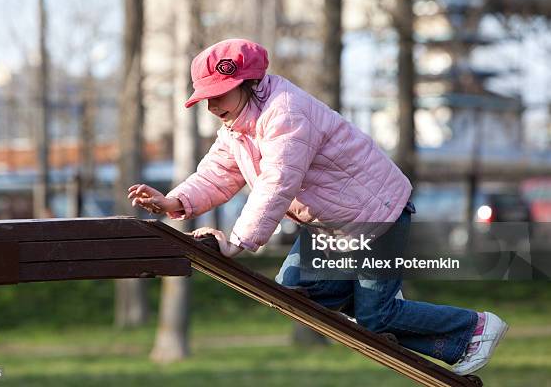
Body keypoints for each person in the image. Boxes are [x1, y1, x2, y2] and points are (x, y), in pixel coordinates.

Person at [127, 38, 508, 375]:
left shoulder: (286, 113)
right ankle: (380, 302)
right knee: (293, 292)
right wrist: (174, 201)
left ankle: (472, 328)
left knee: (377, 318)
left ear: (248, 82)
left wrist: (238, 241)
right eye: (206, 97)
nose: (211, 105)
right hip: (333, 226)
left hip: (376, 216)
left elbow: (277, 183)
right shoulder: (237, 126)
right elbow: (216, 173)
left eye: (219, 94)